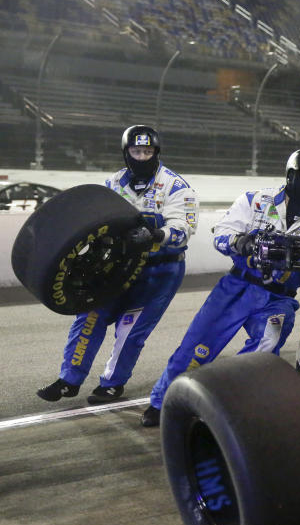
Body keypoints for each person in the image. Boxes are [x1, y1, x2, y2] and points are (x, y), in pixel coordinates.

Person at [141, 148, 300, 426]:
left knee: (265, 348)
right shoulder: (255, 200)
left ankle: (227, 405)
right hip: (236, 288)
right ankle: (163, 401)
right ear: (292, 174)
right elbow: (221, 234)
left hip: (278, 299)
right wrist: (239, 242)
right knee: (196, 348)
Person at [38, 125, 198, 404]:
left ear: (156, 152)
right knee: (88, 317)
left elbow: (184, 227)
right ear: (126, 153)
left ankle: (112, 384)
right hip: (117, 267)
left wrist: (157, 234)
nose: (142, 156)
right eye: (136, 151)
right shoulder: (113, 183)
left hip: (160, 271)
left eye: (147, 151)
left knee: (129, 328)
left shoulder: (176, 186)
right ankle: (69, 380)